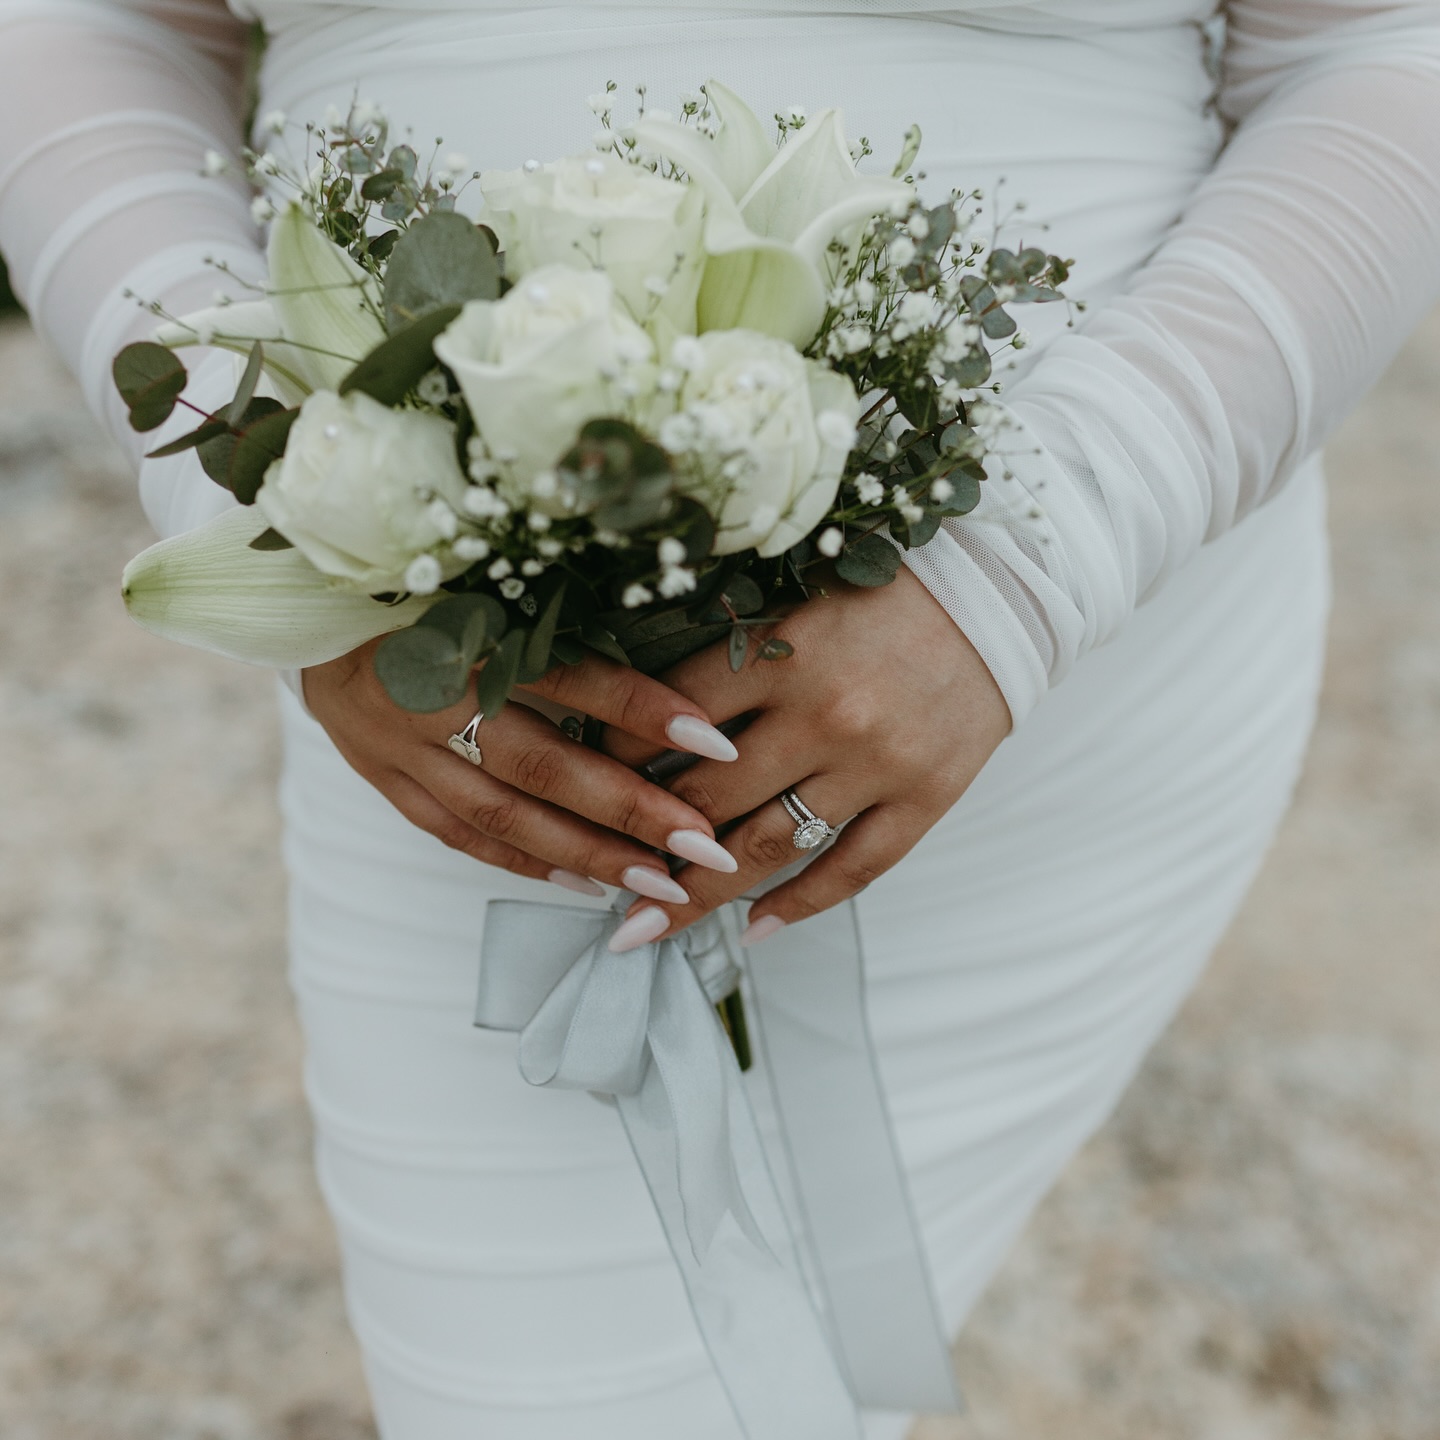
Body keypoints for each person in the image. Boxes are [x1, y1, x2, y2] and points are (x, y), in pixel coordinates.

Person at [2, 0, 1437, 1434]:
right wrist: (285, 507)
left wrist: (1025, 572)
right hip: (465, 748)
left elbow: (1373, 47)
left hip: (1058, 703)